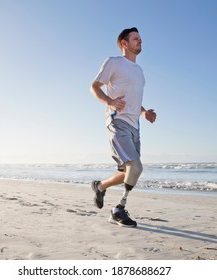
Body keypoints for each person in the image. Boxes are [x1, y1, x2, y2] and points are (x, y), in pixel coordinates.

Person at [90, 27, 157, 228]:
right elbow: (94, 86)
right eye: (136, 39)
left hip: (134, 126)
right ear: (124, 43)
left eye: (141, 39)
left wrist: (144, 113)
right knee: (136, 167)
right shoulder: (114, 62)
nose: (140, 41)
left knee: (128, 172)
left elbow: (134, 99)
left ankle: (100, 186)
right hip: (117, 122)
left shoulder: (139, 71)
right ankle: (119, 209)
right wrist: (110, 101)